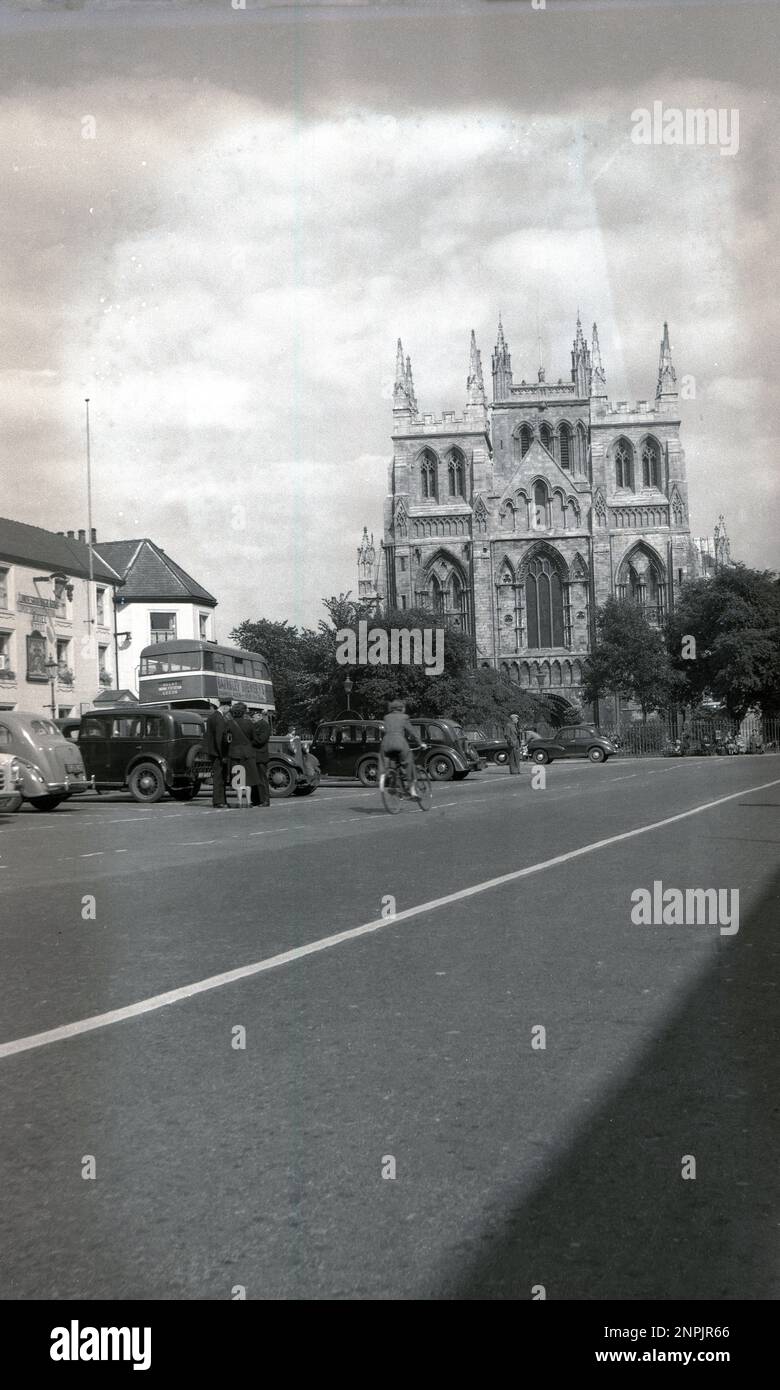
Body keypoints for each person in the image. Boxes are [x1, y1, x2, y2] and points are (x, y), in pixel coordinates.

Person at [379, 699, 423, 797]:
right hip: (399, 742)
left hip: (386, 743)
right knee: (409, 761)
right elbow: (413, 732)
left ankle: (391, 781)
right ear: (401, 708)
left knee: (391, 762)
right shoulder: (404, 717)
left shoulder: (386, 717)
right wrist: (420, 743)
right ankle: (412, 790)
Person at [224, 701, 260, 803]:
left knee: (238, 779)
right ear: (244, 712)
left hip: (235, 754)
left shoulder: (229, 723)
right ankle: (248, 801)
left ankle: (239, 802)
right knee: (249, 779)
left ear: (234, 712)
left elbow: (225, 739)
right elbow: (255, 739)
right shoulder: (249, 723)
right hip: (248, 754)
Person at [205, 697, 232, 808]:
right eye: (228, 709)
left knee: (218, 777)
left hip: (213, 752)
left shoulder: (212, 717)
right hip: (218, 753)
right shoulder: (219, 718)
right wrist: (223, 755)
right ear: (225, 706)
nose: (228, 712)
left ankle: (222, 800)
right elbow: (219, 738)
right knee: (219, 778)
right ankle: (218, 801)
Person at [250, 709, 272, 807]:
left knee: (262, 779)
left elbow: (261, 740)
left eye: (253, 717)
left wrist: (249, 741)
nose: (252, 719)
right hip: (254, 756)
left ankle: (265, 800)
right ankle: (256, 799)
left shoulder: (264, 725)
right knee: (255, 779)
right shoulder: (254, 725)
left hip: (260, 755)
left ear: (259, 716)